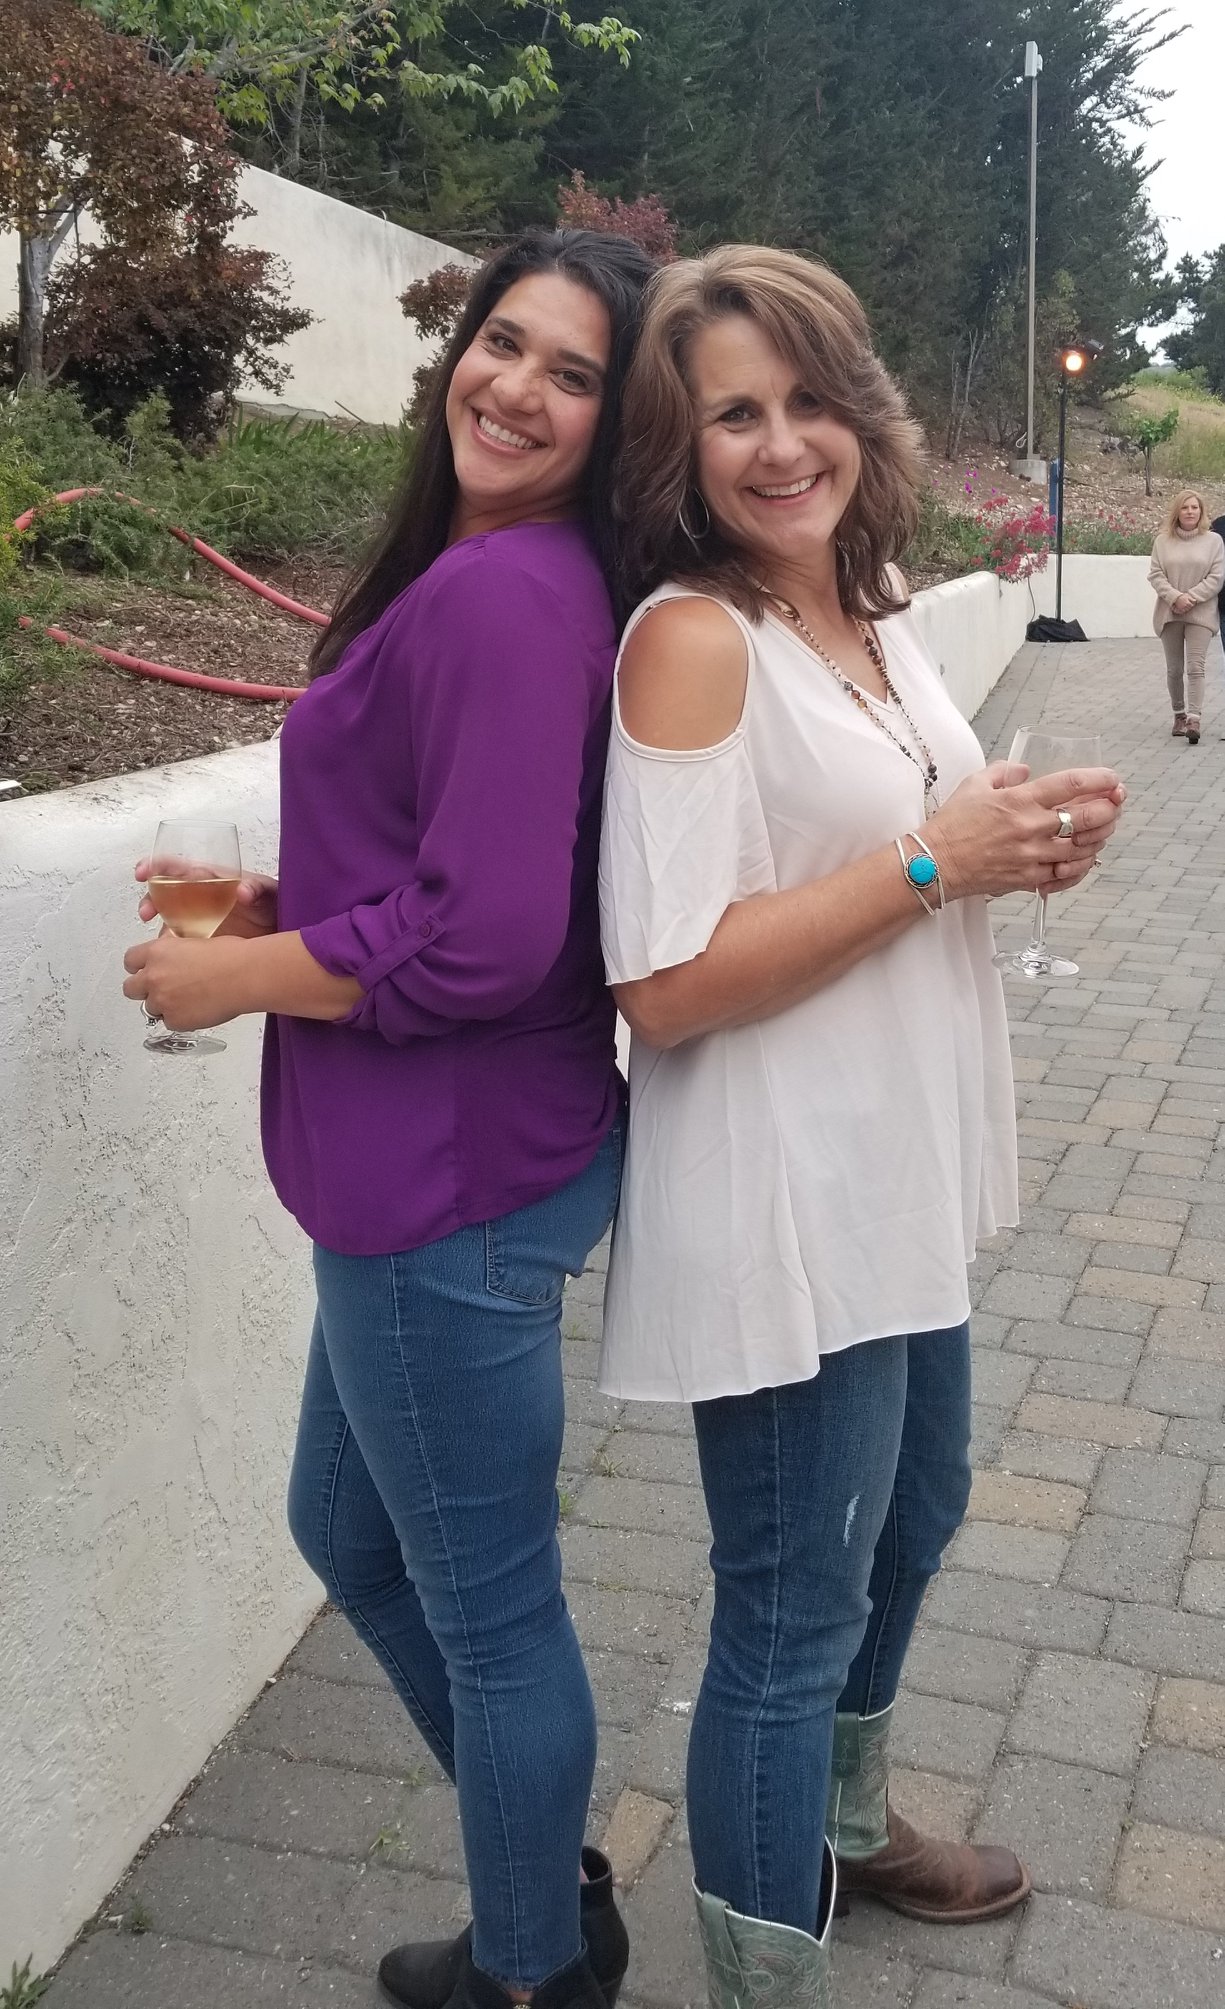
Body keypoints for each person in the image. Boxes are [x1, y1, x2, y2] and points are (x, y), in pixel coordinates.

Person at [123, 228, 656, 2009]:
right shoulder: (512, 573)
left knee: (493, 1614)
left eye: (574, 375)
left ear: (617, 421)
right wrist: (284, 906)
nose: (515, 387)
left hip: (445, 1183)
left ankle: (533, 1969)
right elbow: (475, 874)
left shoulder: (507, 596)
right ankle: (543, 1881)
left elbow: (483, 938)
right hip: (451, 1165)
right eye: (504, 342)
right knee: (350, 1535)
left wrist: (241, 978)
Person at [597, 246, 1125, 2005]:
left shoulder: (872, 606)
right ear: (678, 447)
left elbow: (914, 829)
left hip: (893, 1171)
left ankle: (842, 1815)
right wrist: (928, 864)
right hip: (783, 1195)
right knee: (790, 1605)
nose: (781, 444)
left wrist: (1018, 833)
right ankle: (768, 1967)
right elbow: (662, 982)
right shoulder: (693, 641)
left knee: (915, 1514)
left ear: (862, 410)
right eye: (732, 413)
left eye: (809, 399)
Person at [1148, 489, 1225, 745]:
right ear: (1177, 512)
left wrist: (1190, 597)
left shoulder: (1214, 541)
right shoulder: (1162, 541)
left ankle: (1194, 718)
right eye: (1185, 507)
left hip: (1200, 612)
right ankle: (1179, 715)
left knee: (1195, 667)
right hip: (1169, 612)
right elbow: (1155, 575)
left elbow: (1216, 577)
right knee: (1174, 669)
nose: (1190, 512)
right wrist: (1175, 597)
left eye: (1194, 507)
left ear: (1201, 511)